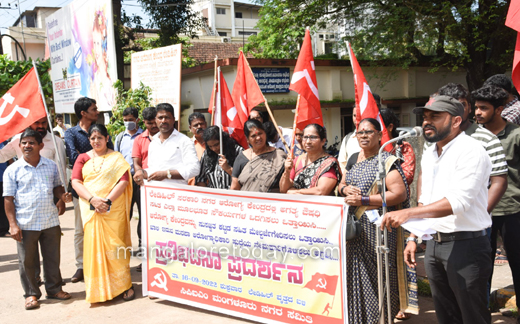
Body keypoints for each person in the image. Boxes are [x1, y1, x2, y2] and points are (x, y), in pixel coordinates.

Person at [381, 95, 492, 324]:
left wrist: (407, 214)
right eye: (425, 117)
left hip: (466, 245)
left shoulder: (471, 150)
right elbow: (425, 200)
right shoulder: (431, 152)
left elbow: (457, 202)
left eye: (435, 117)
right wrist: (414, 236)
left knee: (472, 315)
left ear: (456, 121)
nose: (426, 122)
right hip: (433, 245)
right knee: (446, 315)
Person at [336, 118, 410, 323]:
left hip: (378, 227)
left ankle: (380, 317)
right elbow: (341, 185)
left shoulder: (387, 161)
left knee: (380, 273)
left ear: (379, 135)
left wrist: (364, 199)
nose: (364, 136)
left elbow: (399, 194)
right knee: (355, 272)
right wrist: (344, 189)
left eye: (369, 132)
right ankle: (358, 317)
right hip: (354, 228)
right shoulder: (353, 159)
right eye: (360, 133)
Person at [4, 129, 72, 310]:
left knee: (52, 258)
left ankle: (54, 289)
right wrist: (13, 225)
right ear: (19, 146)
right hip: (26, 223)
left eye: (31, 142)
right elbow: (8, 199)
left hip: (50, 220)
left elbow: (57, 187)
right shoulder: (12, 170)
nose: (27, 146)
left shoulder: (51, 165)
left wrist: (62, 196)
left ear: (41, 145)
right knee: (27, 261)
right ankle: (31, 294)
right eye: (24, 143)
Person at [71, 124, 134, 303]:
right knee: (94, 247)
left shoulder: (116, 157)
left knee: (116, 246)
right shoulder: (83, 158)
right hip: (91, 209)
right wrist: (93, 200)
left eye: (100, 137)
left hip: (112, 210)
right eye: (92, 138)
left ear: (107, 138)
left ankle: (124, 286)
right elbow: (75, 181)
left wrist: (106, 202)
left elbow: (123, 181)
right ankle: (99, 290)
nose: (96, 141)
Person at [473, 85, 520, 317]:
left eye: (484, 108)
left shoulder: (516, 135)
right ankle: (482, 314)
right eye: (476, 107)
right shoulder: (472, 137)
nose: (477, 113)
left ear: (499, 109)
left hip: (512, 209)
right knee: (482, 267)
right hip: (481, 212)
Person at [64, 97, 113, 284]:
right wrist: (96, 163)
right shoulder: (71, 133)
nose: (97, 112)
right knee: (80, 229)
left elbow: (111, 155)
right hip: (81, 190)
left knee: (104, 227)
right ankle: (81, 266)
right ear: (83, 113)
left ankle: (103, 263)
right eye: (94, 109)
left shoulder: (100, 130)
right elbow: (73, 156)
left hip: (104, 190)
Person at [143, 103, 200, 184]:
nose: (163, 121)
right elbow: (153, 169)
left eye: (167, 117)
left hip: (176, 193)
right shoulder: (153, 143)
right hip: (155, 193)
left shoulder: (184, 141)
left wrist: (167, 174)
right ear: (156, 120)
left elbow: (194, 169)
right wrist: (143, 173)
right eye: (160, 118)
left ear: (173, 119)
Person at [280, 124, 340, 195]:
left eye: (313, 137)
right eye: (305, 137)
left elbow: (321, 191)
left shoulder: (328, 163)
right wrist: (286, 171)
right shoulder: (297, 160)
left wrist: (296, 192)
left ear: (323, 141)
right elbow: (283, 189)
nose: (308, 141)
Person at [132, 107, 158, 266]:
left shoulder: (167, 137)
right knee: (144, 222)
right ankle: (145, 258)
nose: (154, 126)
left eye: (155, 122)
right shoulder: (139, 139)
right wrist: (139, 174)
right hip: (146, 187)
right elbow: (136, 162)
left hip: (164, 187)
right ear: (144, 123)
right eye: (150, 124)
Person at [230, 119, 287, 192]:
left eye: (260, 133)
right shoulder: (242, 158)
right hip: (248, 201)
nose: (258, 138)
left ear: (265, 134)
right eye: (253, 136)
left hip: (272, 202)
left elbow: (286, 183)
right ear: (247, 139)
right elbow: (235, 188)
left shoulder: (279, 155)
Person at [115, 107, 143, 222]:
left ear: (137, 120)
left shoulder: (144, 136)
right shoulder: (120, 137)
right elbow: (116, 159)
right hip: (126, 179)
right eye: (125, 120)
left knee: (143, 212)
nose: (127, 123)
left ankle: (142, 239)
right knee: (125, 213)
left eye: (130, 120)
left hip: (142, 179)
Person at [380, 108, 416, 185]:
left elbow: (408, 176)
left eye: (379, 127)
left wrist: (381, 177)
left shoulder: (403, 147)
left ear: (390, 127)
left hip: (397, 195)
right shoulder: (372, 147)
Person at [337, 107, 361, 175]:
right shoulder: (347, 138)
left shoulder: (376, 138)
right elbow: (342, 163)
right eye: (354, 115)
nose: (356, 119)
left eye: (359, 115)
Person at [187, 112, 207, 185]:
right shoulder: (187, 145)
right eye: (196, 125)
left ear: (206, 124)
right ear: (190, 128)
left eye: (201, 124)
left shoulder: (213, 144)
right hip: (191, 187)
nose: (199, 127)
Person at [0, 141, 10, 237]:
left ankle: (3, 230)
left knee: (3, 204)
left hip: (3, 178)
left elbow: (10, 158)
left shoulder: (4, 141)